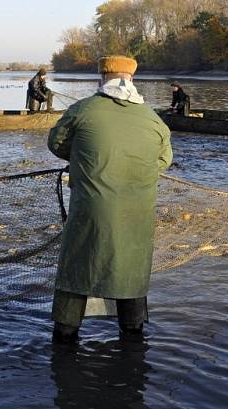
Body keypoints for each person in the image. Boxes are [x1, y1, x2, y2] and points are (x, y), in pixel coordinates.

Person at [47, 55, 173, 343]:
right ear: (132, 80)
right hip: (137, 215)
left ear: (101, 79)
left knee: (78, 268)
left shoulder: (82, 110)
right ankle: (133, 331)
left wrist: (86, 158)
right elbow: (164, 160)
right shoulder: (153, 120)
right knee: (130, 269)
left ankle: (66, 335)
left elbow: (56, 144)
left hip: (91, 212)